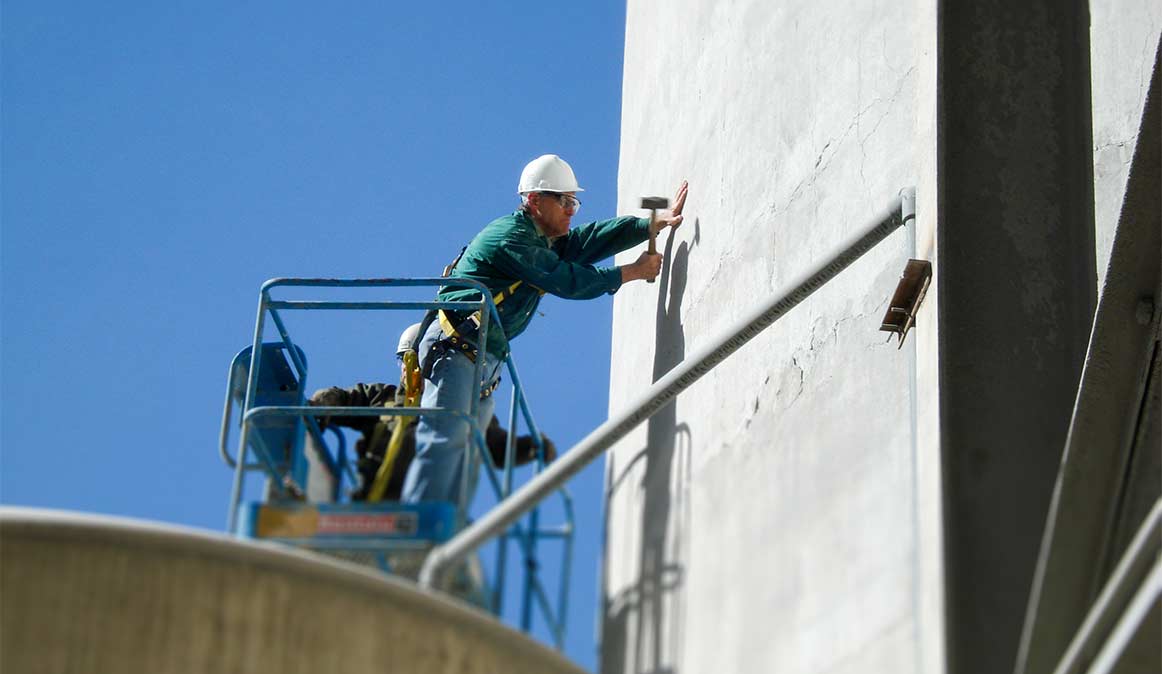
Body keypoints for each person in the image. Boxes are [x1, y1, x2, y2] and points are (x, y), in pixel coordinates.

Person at [403, 154, 688, 504]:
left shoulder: (542, 238)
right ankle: (417, 527)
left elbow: (584, 242)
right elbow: (563, 278)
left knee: (467, 454)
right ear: (535, 201)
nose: (571, 210)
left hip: (481, 361)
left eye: (574, 202)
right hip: (456, 348)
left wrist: (646, 226)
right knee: (445, 437)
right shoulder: (514, 237)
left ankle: (443, 533)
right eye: (564, 201)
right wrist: (630, 272)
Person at [309, 324, 555, 501]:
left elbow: (499, 448)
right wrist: (324, 401)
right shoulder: (383, 398)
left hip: (428, 512)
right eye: (402, 361)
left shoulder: (462, 411)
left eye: (413, 360)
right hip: (376, 507)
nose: (407, 369)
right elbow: (348, 400)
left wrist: (531, 447)